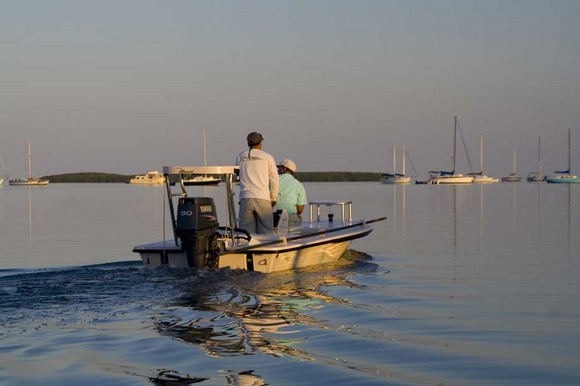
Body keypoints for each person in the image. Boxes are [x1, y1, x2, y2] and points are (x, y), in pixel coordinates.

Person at [235, 132, 279, 234]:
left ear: (248, 143)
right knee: (266, 232)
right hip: (262, 197)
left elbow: (238, 177)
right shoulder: (267, 157)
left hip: (245, 198)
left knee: (245, 234)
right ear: (260, 143)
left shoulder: (240, 156)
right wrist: (273, 198)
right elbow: (274, 179)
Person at [275, 159, 307, 225]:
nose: (277, 169)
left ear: (285, 168)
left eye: (279, 167)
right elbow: (300, 210)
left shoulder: (272, 180)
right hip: (290, 217)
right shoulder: (298, 185)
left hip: (272, 216)